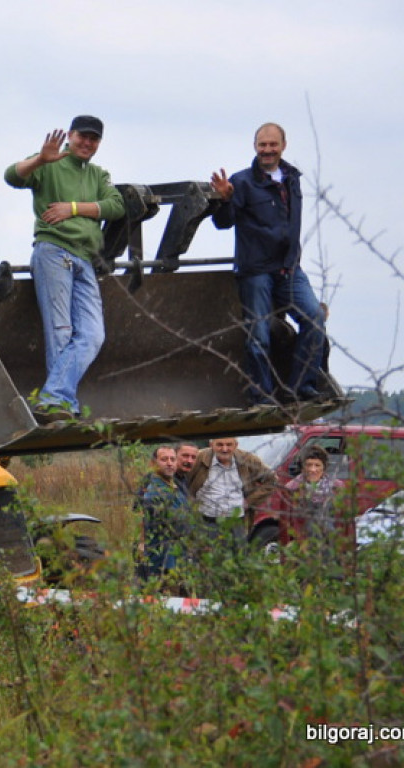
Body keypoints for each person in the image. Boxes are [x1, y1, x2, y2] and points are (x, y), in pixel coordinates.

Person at [5, 115, 126, 424]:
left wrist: (72, 208)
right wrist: (37, 161)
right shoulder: (48, 164)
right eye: (82, 136)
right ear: (70, 136)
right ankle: (60, 404)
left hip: (86, 260)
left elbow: (116, 206)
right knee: (62, 330)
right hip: (54, 252)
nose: (87, 143)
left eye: (94, 139)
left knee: (93, 335)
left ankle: (53, 396)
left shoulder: (99, 175)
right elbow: (11, 177)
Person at [210, 122, 328, 405]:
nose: (267, 150)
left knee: (315, 319)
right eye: (262, 145)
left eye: (273, 145)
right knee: (259, 336)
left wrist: (292, 262)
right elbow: (222, 222)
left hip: (289, 269)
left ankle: (302, 386)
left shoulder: (292, 179)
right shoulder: (242, 182)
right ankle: (262, 395)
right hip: (256, 272)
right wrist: (225, 200)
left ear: (283, 146)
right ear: (255, 147)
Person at [186, 437, 276, 539]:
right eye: (219, 445)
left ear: (236, 445)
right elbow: (182, 476)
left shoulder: (247, 459)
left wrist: (249, 501)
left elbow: (271, 480)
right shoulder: (200, 457)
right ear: (211, 445)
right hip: (206, 520)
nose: (224, 449)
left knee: (238, 553)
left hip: (237, 521)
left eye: (229, 445)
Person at [135, 445, 192, 578]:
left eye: (172, 459)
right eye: (164, 459)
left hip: (179, 552)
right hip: (163, 557)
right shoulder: (155, 491)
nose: (169, 463)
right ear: (153, 464)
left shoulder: (174, 486)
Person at [283, 445, 344, 555]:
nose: (313, 469)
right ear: (302, 467)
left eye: (317, 465)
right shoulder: (292, 489)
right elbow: (285, 525)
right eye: (309, 465)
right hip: (303, 548)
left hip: (331, 546)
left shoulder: (337, 488)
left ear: (324, 467)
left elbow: (344, 522)